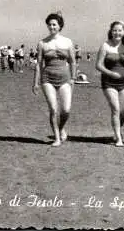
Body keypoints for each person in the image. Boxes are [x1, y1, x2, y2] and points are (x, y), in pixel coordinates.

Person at [32, 12, 76, 147]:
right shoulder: (42, 43)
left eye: (54, 24)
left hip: (64, 78)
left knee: (66, 110)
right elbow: (39, 64)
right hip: (47, 78)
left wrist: (73, 78)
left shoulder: (67, 42)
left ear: (60, 26)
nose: (52, 27)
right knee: (53, 108)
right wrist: (35, 82)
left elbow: (73, 61)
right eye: (49, 24)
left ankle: (61, 128)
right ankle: (57, 138)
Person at [95, 21, 124, 147]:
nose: (117, 33)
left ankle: (117, 130)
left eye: (120, 30)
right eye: (115, 30)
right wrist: (111, 74)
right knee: (116, 109)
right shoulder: (105, 45)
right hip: (109, 82)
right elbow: (98, 65)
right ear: (111, 32)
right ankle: (118, 138)